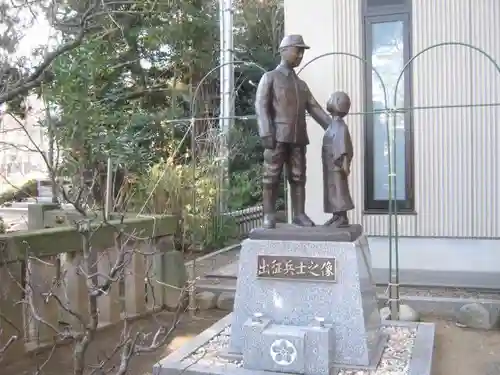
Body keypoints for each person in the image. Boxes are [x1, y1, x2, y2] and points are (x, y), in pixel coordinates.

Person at [255, 34, 330, 229]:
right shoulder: (270, 78)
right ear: (284, 50)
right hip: (276, 136)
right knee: (271, 175)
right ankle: (269, 215)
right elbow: (261, 106)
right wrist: (265, 131)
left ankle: (299, 214)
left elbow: (314, 108)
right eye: (297, 50)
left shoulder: (301, 85)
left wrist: (333, 125)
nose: (300, 55)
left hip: (298, 137)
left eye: (302, 52)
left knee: (298, 176)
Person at [321, 91, 354, 227]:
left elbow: (344, 146)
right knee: (332, 190)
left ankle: (342, 217)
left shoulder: (341, 126)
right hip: (329, 165)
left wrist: (345, 164)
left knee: (339, 190)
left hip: (337, 165)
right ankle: (336, 215)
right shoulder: (333, 125)